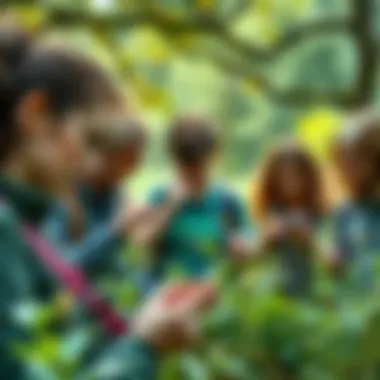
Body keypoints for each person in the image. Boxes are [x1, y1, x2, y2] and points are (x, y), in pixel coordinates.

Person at [0, 27, 212, 380]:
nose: (90, 165)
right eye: (89, 140)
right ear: (35, 114)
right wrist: (143, 348)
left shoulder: (25, 226)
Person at [135, 115, 253, 283]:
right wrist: (170, 208)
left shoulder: (227, 200)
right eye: (186, 169)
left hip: (214, 292)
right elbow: (141, 246)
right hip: (168, 290)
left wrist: (241, 249)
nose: (192, 176)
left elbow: (247, 243)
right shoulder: (160, 196)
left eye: (199, 169)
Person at [44, 115, 147, 281]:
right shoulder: (63, 197)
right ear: (107, 157)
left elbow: (120, 267)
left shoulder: (114, 196)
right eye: (130, 157)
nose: (136, 165)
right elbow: (61, 267)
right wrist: (114, 231)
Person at [253, 142, 326, 297]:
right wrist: (267, 240)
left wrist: (308, 241)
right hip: (280, 295)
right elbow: (257, 258)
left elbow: (330, 258)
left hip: (316, 292)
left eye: (296, 175)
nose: (290, 182)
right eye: (283, 177)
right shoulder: (271, 214)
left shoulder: (321, 214)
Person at [331, 111, 380, 291]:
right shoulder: (345, 213)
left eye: (354, 160)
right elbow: (342, 263)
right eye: (341, 160)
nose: (345, 169)